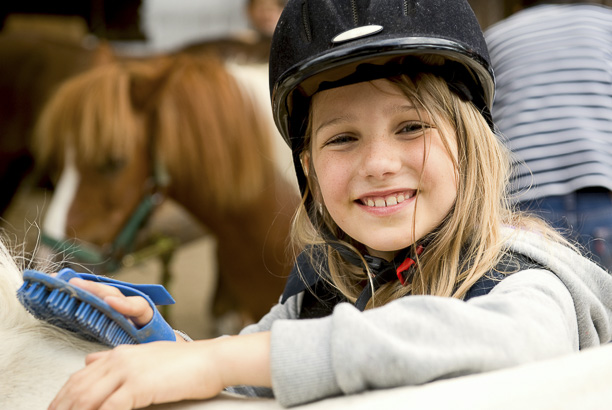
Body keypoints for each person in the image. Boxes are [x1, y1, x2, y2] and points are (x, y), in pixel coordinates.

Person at [49, 0, 612, 408]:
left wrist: (218, 359)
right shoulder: (322, 289)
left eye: (411, 126)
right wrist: (161, 341)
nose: (378, 163)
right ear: (309, 172)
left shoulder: (522, 275)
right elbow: (254, 370)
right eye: (342, 138)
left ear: (471, 146)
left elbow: (513, 343)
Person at [485, 0, 612, 270]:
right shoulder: (604, 24)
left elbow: (484, 122)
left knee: (541, 299)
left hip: (525, 201)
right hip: (601, 191)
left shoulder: (495, 37)